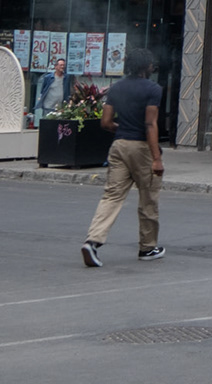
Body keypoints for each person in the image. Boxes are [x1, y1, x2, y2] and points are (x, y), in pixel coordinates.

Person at [81, 48, 165, 267]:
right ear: (147, 67)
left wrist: (124, 129)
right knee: (148, 198)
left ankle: (93, 241)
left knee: (112, 196)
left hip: (118, 145)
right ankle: (147, 247)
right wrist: (156, 157)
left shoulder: (117, 88)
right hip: (142, 148)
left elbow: (106, 122)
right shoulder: (153, 89)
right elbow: (150, 124)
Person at [35, 57, 73, 122]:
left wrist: (68, 102)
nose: (62, 67)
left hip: (60, 107)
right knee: (47, 123)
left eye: (64, 65)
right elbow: (43, 90)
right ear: (56, 66)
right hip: (48, 106)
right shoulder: (48, 77)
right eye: (61, 65)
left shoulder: (66, 78)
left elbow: (67, 91)